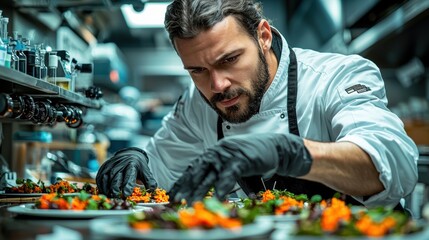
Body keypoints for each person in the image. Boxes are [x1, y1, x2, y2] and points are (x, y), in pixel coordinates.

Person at [96, 0, 418, 208]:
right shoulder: (199, 102)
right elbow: (160, 172)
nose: (217, 85)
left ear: (263, 36)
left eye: (230, 59)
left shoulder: (334, 76)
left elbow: (395, 166)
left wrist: (287, 152)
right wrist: (135, 161)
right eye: (197, 70)